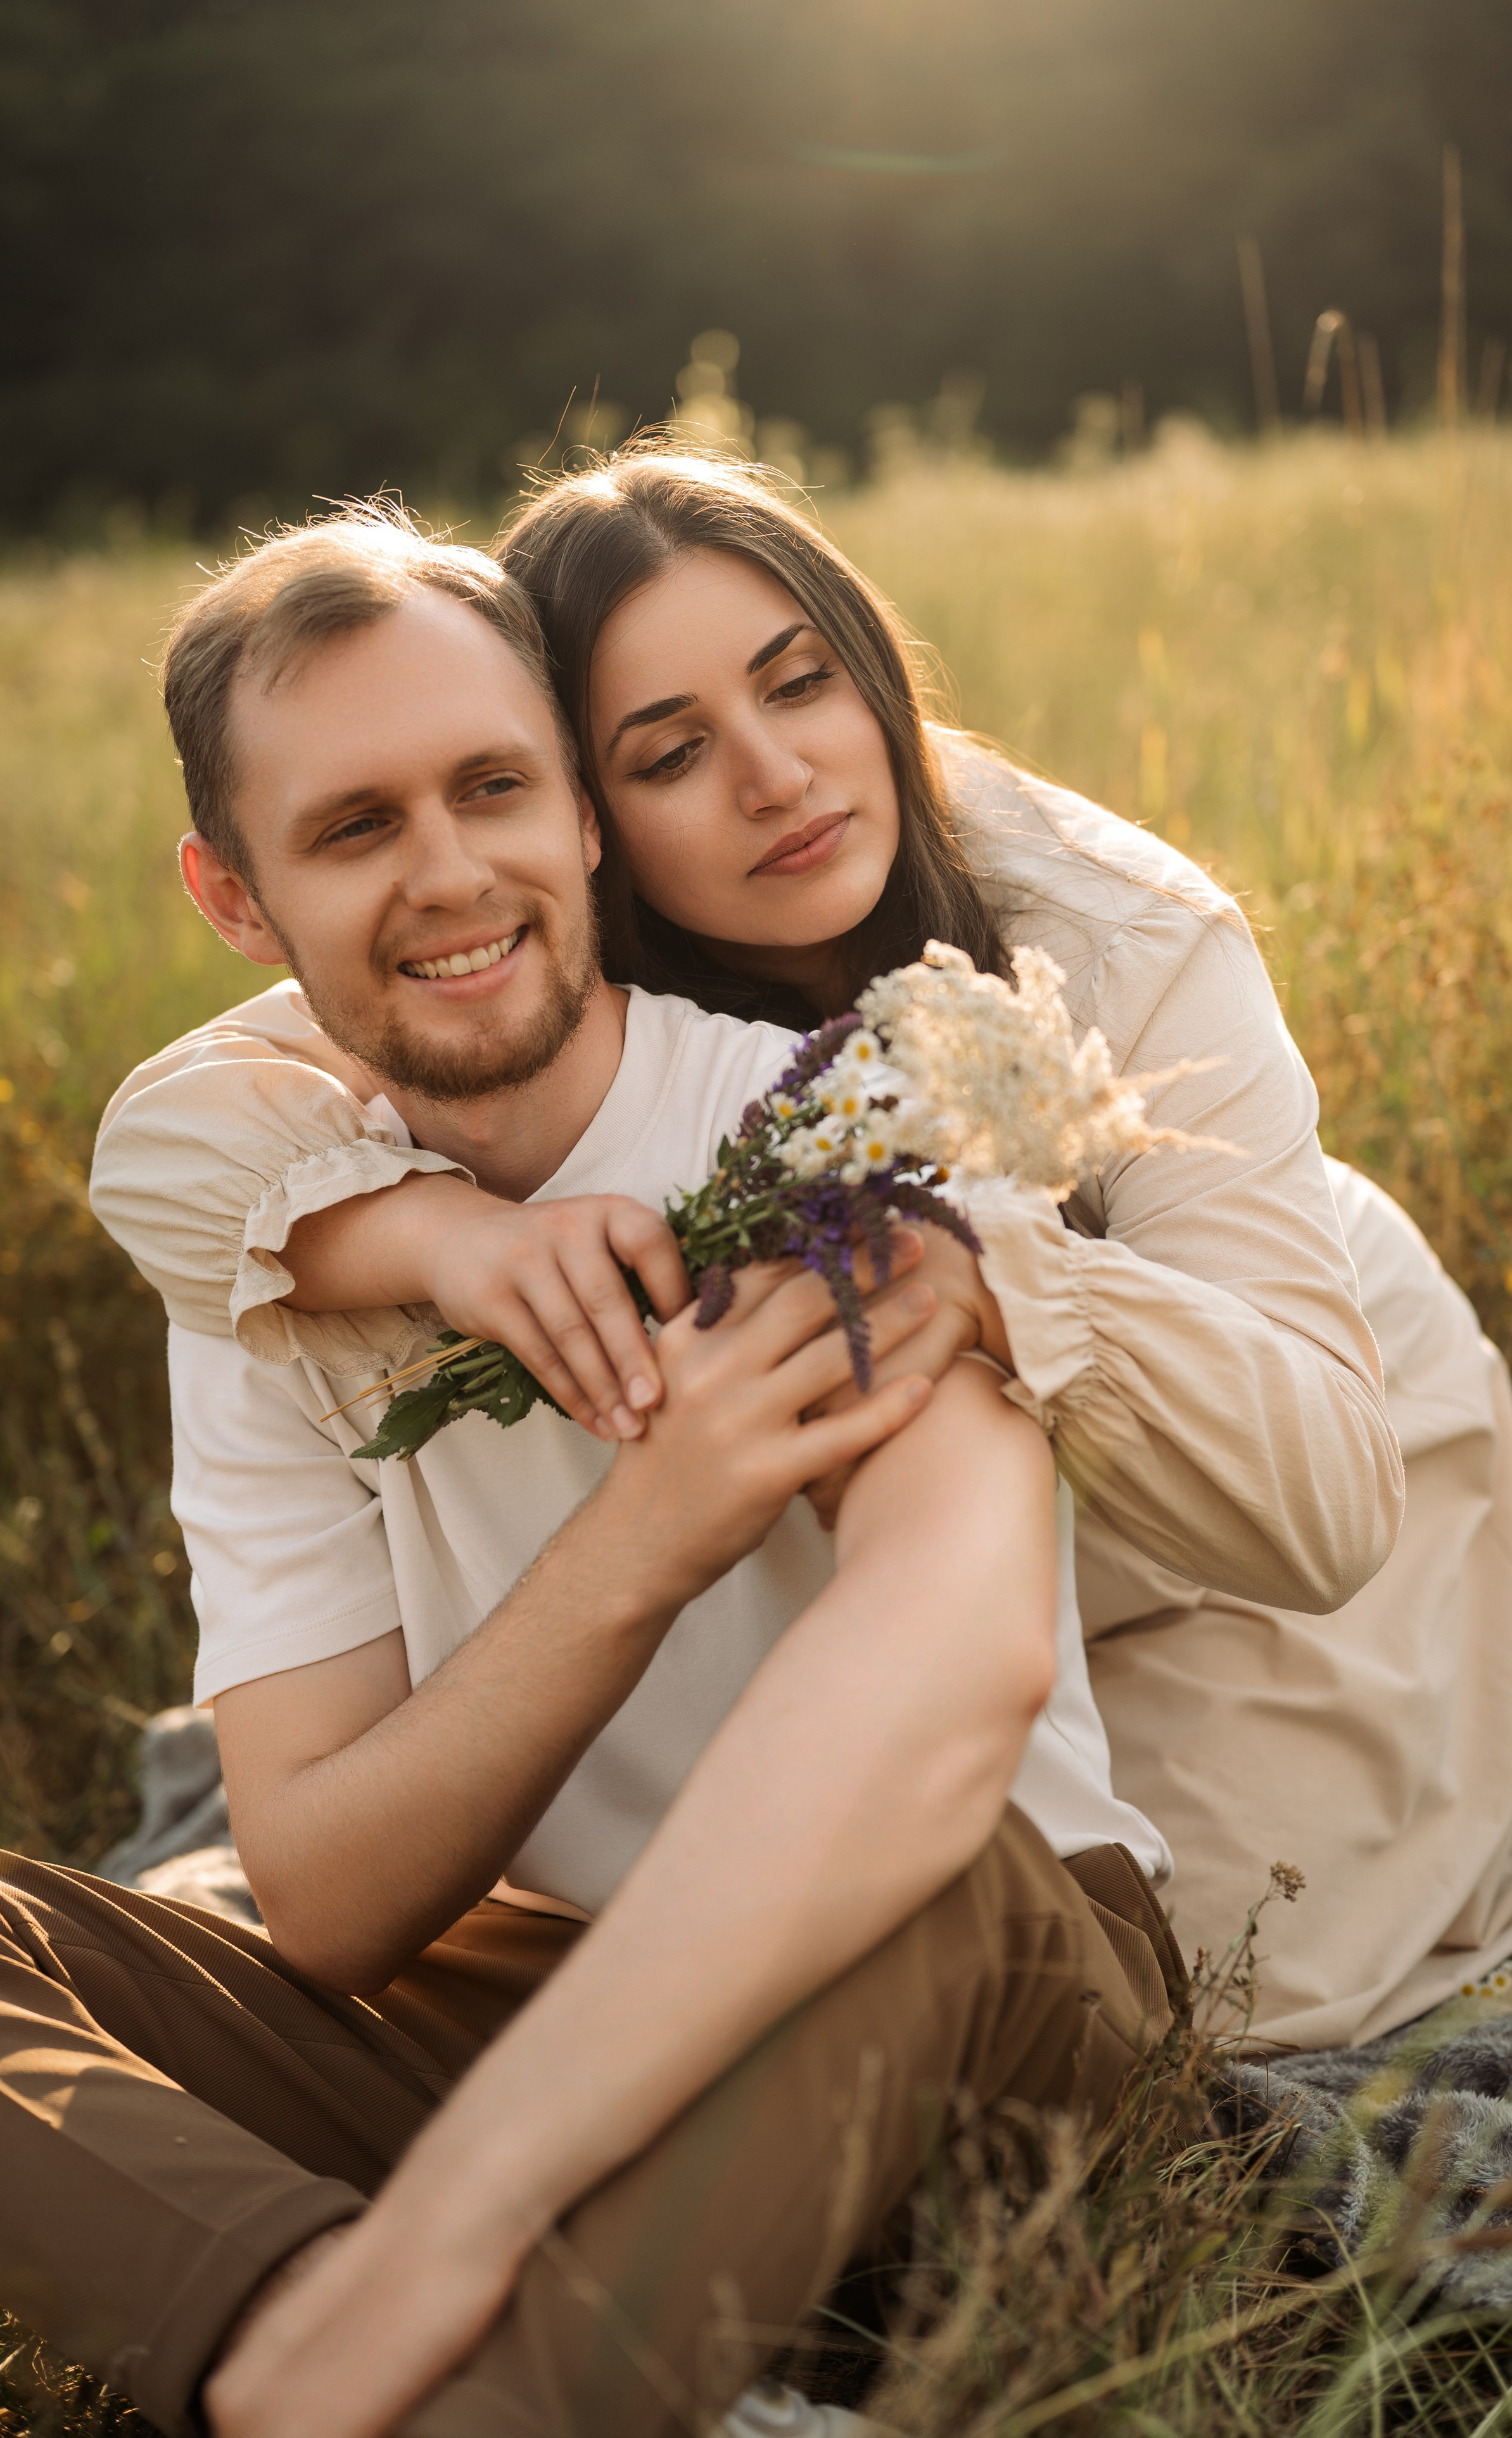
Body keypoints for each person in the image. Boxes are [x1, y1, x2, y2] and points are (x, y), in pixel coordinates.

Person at [91, 447, 1512, 2050]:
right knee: (768, 1928)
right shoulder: (501, 926)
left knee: (1151, 1997)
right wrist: (427, 1229)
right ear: (584, 801)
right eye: (668, 752)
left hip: (1257, 1469)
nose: (778, 778)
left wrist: (1003, 1274)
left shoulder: (1119, 931)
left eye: (801, 684)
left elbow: (1322, 1510)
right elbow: (177, 1129)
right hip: (941, 1548)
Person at [6, 510, 1184, 2438]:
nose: (449, 871)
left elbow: (955, 1676)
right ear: (235, 902)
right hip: (564, 1987)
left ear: (581, 815)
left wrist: (446, 2225)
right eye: (355, 826)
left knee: (958, 1888)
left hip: (978, 1985)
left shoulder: (827, 1132)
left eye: (493, 788)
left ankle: (420, 2368)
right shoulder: (270, 1251)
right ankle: (300, 2318)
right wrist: (641, 1541)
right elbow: (324, 1900)